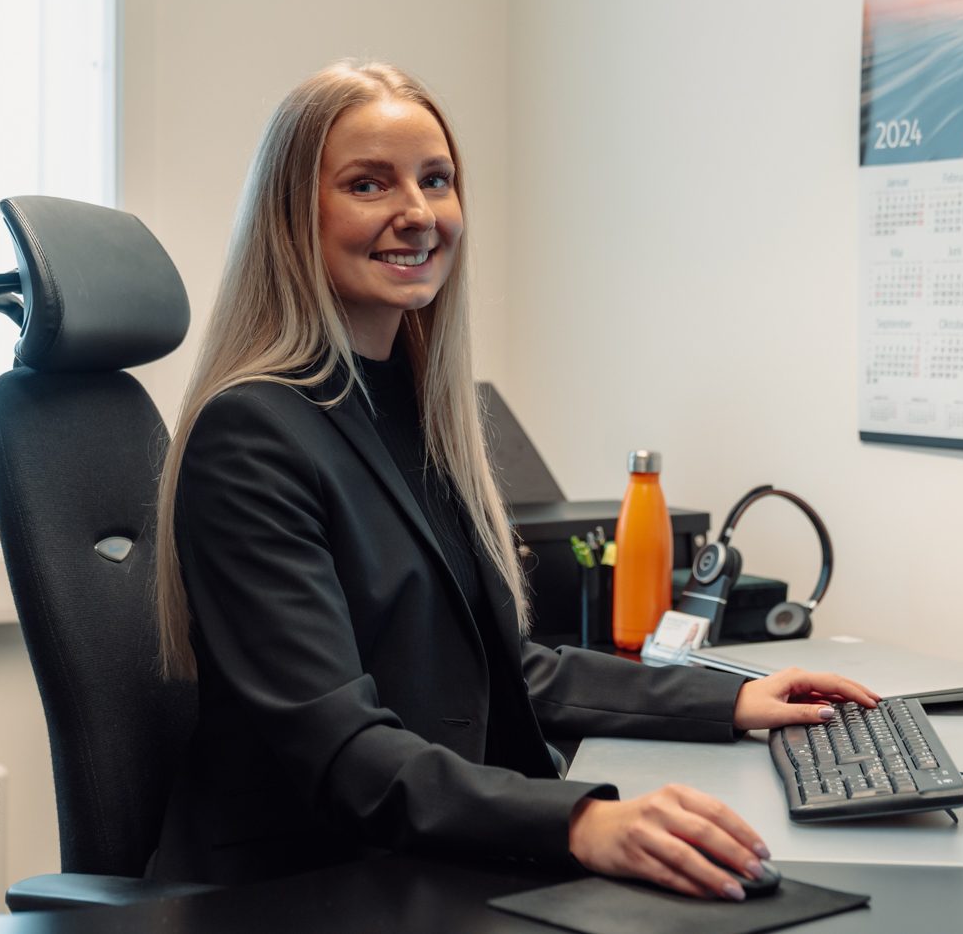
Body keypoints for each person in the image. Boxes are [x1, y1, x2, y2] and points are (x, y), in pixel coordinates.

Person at [147, 60, 876, 900]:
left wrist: (729, 701)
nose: (416, 214)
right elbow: (342, 753)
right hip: (305, 883)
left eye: (436, 180)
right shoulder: (253, 434)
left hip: (416, 850)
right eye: (367, 183)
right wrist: (581, 822)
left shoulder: (410, 405)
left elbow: (506, 669)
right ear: (292, 216)